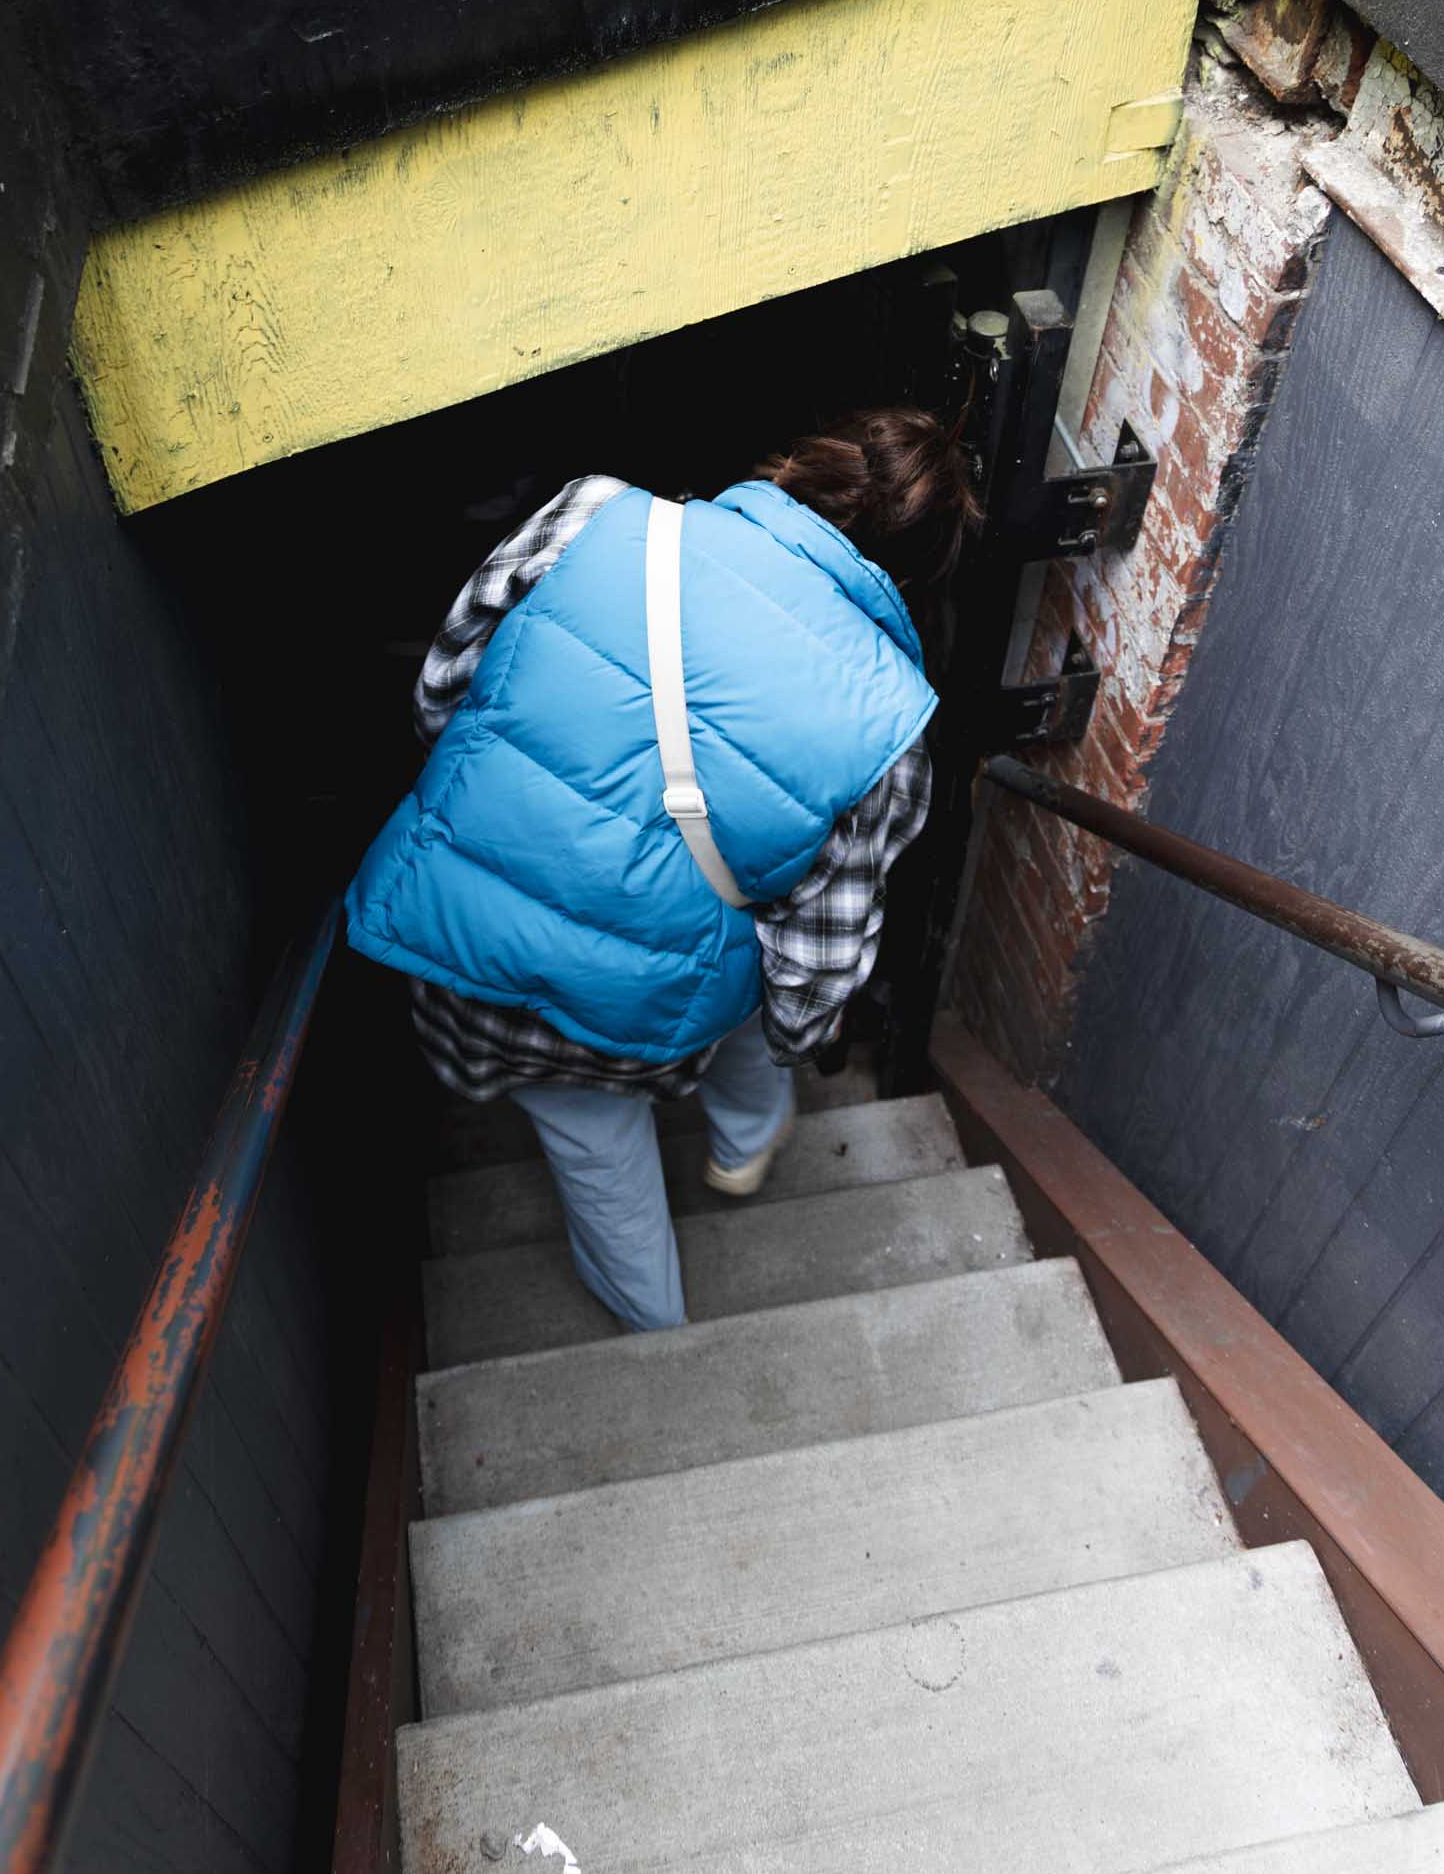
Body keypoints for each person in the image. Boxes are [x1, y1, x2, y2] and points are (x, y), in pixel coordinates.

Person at [346, 407, 978, 1332]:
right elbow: (815, 965)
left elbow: (444, 695)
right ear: (913, 578)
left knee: (593, 1153)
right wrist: (795, 1039)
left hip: (464, 941)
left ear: (798, 466)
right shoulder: (887, 731)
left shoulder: (594, 515)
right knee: (748, 977)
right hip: (646, 1011)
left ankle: (656, 1329)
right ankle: (746, 1143)